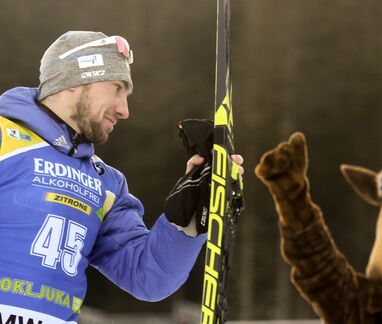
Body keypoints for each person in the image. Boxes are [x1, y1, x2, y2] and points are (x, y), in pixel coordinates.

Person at [0, 31, 243, 323]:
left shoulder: (105, 183)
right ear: (76, 81)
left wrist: (191, 209)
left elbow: (148, 277)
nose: (124, 110)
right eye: (116, 88)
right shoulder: (5, 140)